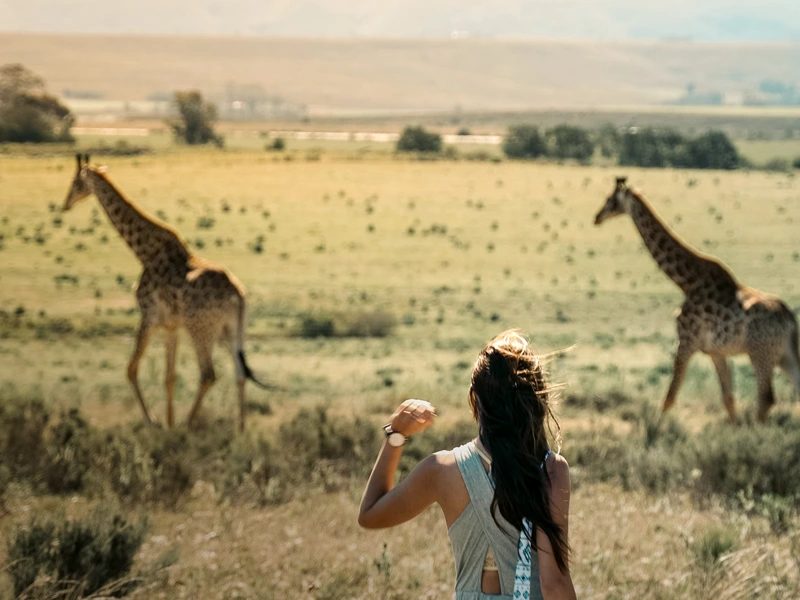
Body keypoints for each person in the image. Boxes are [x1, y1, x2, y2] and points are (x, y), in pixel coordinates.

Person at [358, 330, 576, 600]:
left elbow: (370, 514)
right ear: (536, 402)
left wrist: (395, 435)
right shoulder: (551, 470)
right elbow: (554, 583)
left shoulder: (442, 470)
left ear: (475, 399)